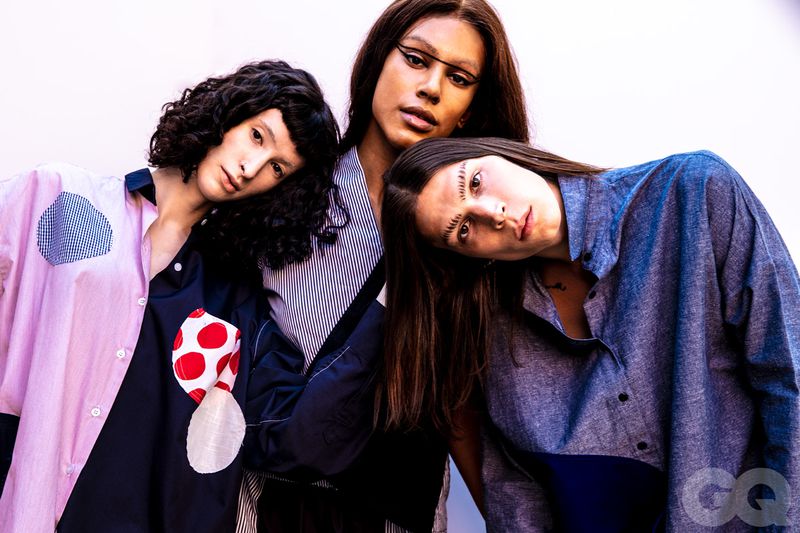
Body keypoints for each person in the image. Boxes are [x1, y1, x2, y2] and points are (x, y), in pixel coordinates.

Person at [380, 136, 800, 531]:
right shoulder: (488, 340)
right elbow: (518, 498)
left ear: (499, 152)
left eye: (474, 181)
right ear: (465, 257)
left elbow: (790, 381)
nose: (494, 213)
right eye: (464, 230)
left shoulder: (696, 193)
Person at [0, 59, 339, 532]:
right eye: (258, 136)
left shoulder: (232, 302)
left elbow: (271, 436)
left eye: (277, 168)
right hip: (18, 498)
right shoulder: (61, 196)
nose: (251, 167)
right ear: (228, 113)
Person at [238, 1, 529, 532]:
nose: (431, 88)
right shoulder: (280, 186)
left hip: (395, 511)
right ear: (377, 60)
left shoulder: (478, 241)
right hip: (257, 503)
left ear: (468, 107)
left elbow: (467, 411)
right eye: (417, 60)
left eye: (458, 78)